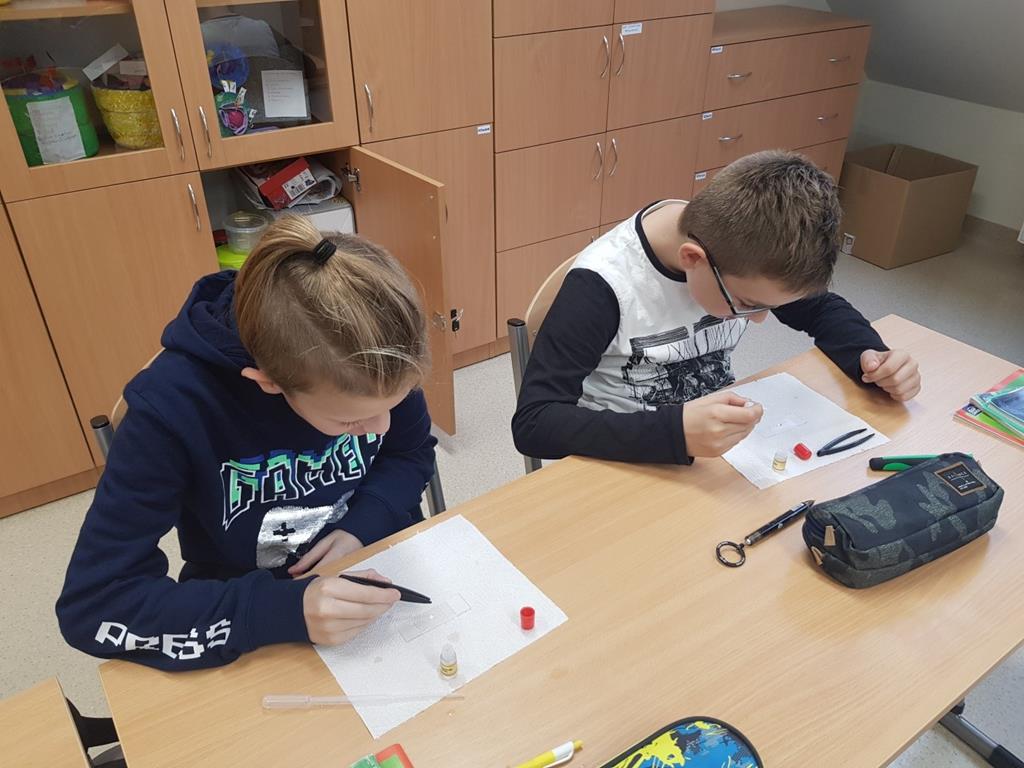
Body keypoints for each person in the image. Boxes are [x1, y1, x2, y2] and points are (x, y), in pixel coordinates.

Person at [57, 217, 436, 670]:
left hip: (378, 563)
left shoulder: (373, 361)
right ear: (268, 383)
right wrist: (281, 612)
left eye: (397, 402)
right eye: (349, 419)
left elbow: (409, 452)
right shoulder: (172, 411)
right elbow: (95, 604)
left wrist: (363, 525)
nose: (380, 426)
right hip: (246, 610)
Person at [512, 150, 921, 464]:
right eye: (746, 304)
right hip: (621, 452)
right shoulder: (603, 286)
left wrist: (871, 357)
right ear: (693, 259)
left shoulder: (739, 246)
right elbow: (535, 423)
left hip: (713, 446)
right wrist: (674, 433)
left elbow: (821, 310)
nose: (759, 319)